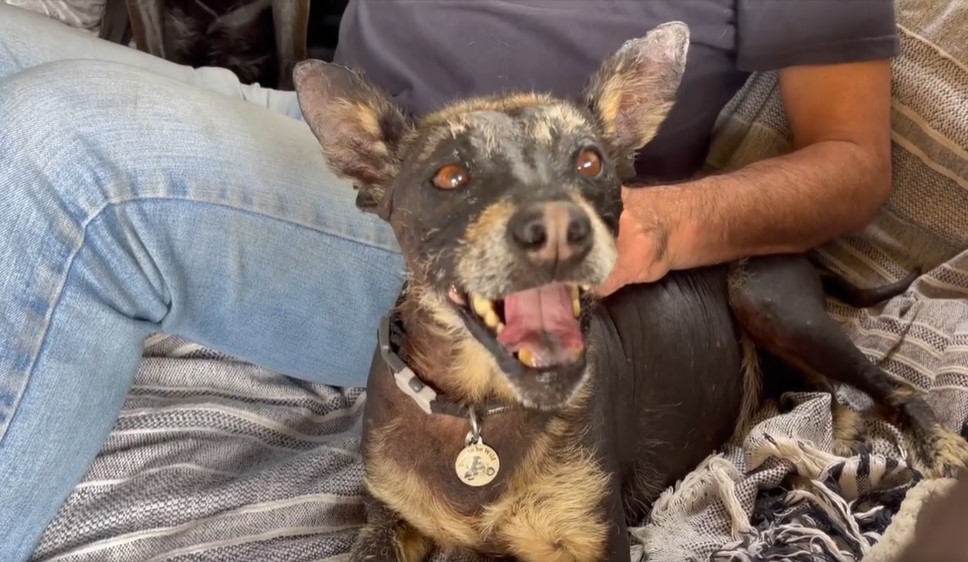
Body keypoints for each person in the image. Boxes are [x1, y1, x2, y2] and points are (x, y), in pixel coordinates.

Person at [0, 0, 897, 558]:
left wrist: (661, 227)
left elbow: (854, 161)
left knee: (63, 156)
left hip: (473, 220)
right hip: (356, 135)